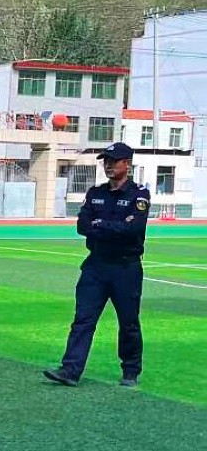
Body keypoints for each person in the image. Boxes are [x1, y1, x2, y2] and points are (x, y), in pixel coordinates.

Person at [44, 142, 150, 388]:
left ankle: (131, 370)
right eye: (106, 161)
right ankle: (70, 370)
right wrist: (111, 227)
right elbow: (82, 226)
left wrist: (101, 225)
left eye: (113, 161)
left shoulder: (138, 194)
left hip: (125, 268)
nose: (108, 165)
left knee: (128, 322)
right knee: (83, 319)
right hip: (96, 266)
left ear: (127, 164)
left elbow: (132, 229)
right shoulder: (96, 193)